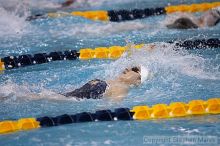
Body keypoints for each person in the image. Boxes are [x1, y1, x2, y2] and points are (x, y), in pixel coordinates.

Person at [64, 66, 151, 101]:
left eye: (134, 69)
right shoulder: (111, 81)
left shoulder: (122, 88)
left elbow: (111, 105)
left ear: (138, 81)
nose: (128, 68)